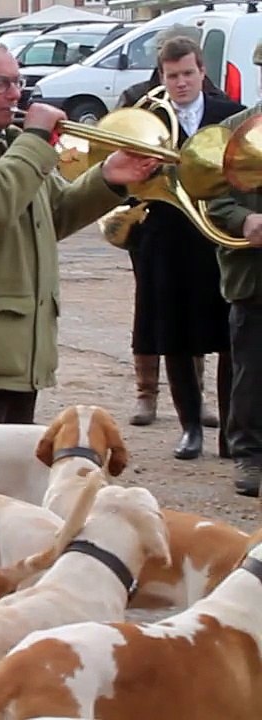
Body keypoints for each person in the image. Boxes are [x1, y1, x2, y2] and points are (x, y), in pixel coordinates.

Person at [0, 40, 160, 428]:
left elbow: (57, 214)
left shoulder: (12, 145)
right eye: (0, 83)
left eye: (17, 81)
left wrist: (108, 178)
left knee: (15, 470)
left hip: (20, 341)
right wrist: (34, 139)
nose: (15, 93)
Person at [126, 36, 241, 460]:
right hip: (167, 238)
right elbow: (124, 180)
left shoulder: (229, 116)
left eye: (188, 73)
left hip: (217, 237)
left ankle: (232, 430)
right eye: (172, 76)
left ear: (202, 72)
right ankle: (190, 426)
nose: (180, 83)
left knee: (229, 336)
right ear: (161, 77)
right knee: (173, 335)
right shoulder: (148, 121)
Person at [207, 38, 262, 496]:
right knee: (251, 370)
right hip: (254, 273)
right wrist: (245, 218)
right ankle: (249, 456)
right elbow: (209, 194)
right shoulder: (231, 130)